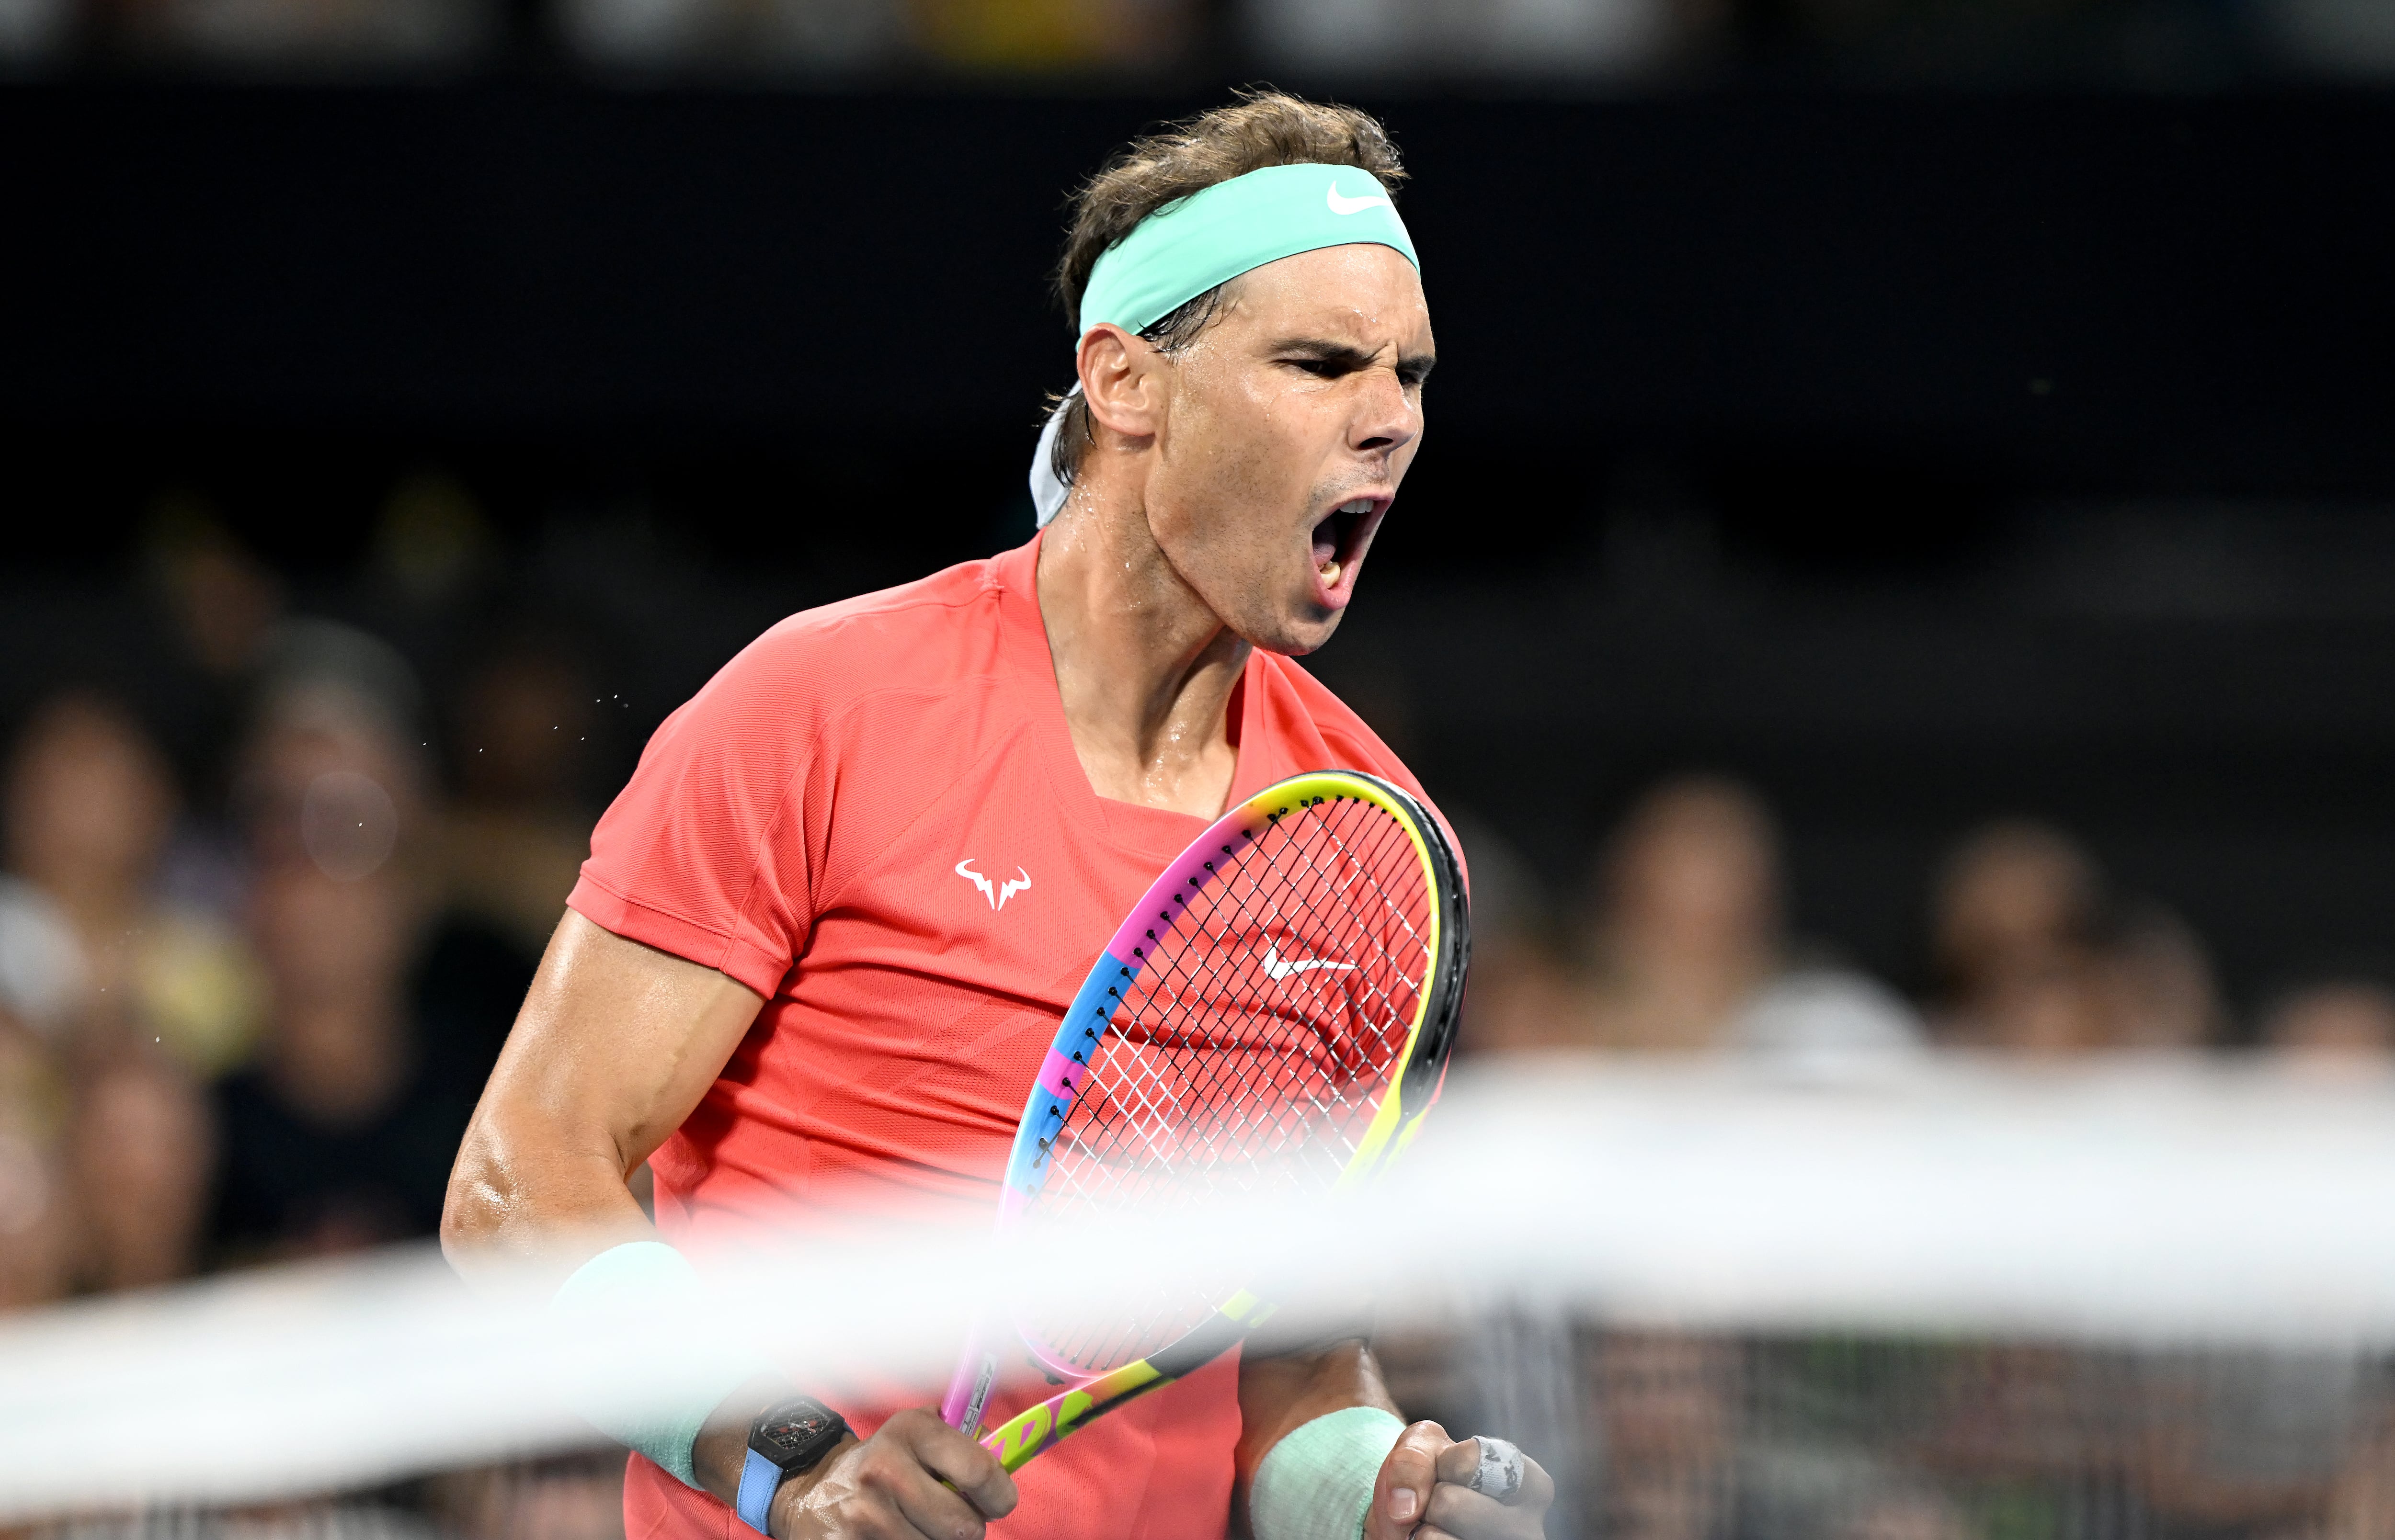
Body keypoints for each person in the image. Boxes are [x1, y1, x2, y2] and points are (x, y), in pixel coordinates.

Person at [441, 91, 1552, 1540]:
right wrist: (797, 1462)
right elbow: (520, 1189)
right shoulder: (820, 706)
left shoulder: (1372, 854)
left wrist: (1369, 1495)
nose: (1391, 417)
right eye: (1322, 362)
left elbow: (1290, 1371)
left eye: (1408, 372)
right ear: (1126, 383)